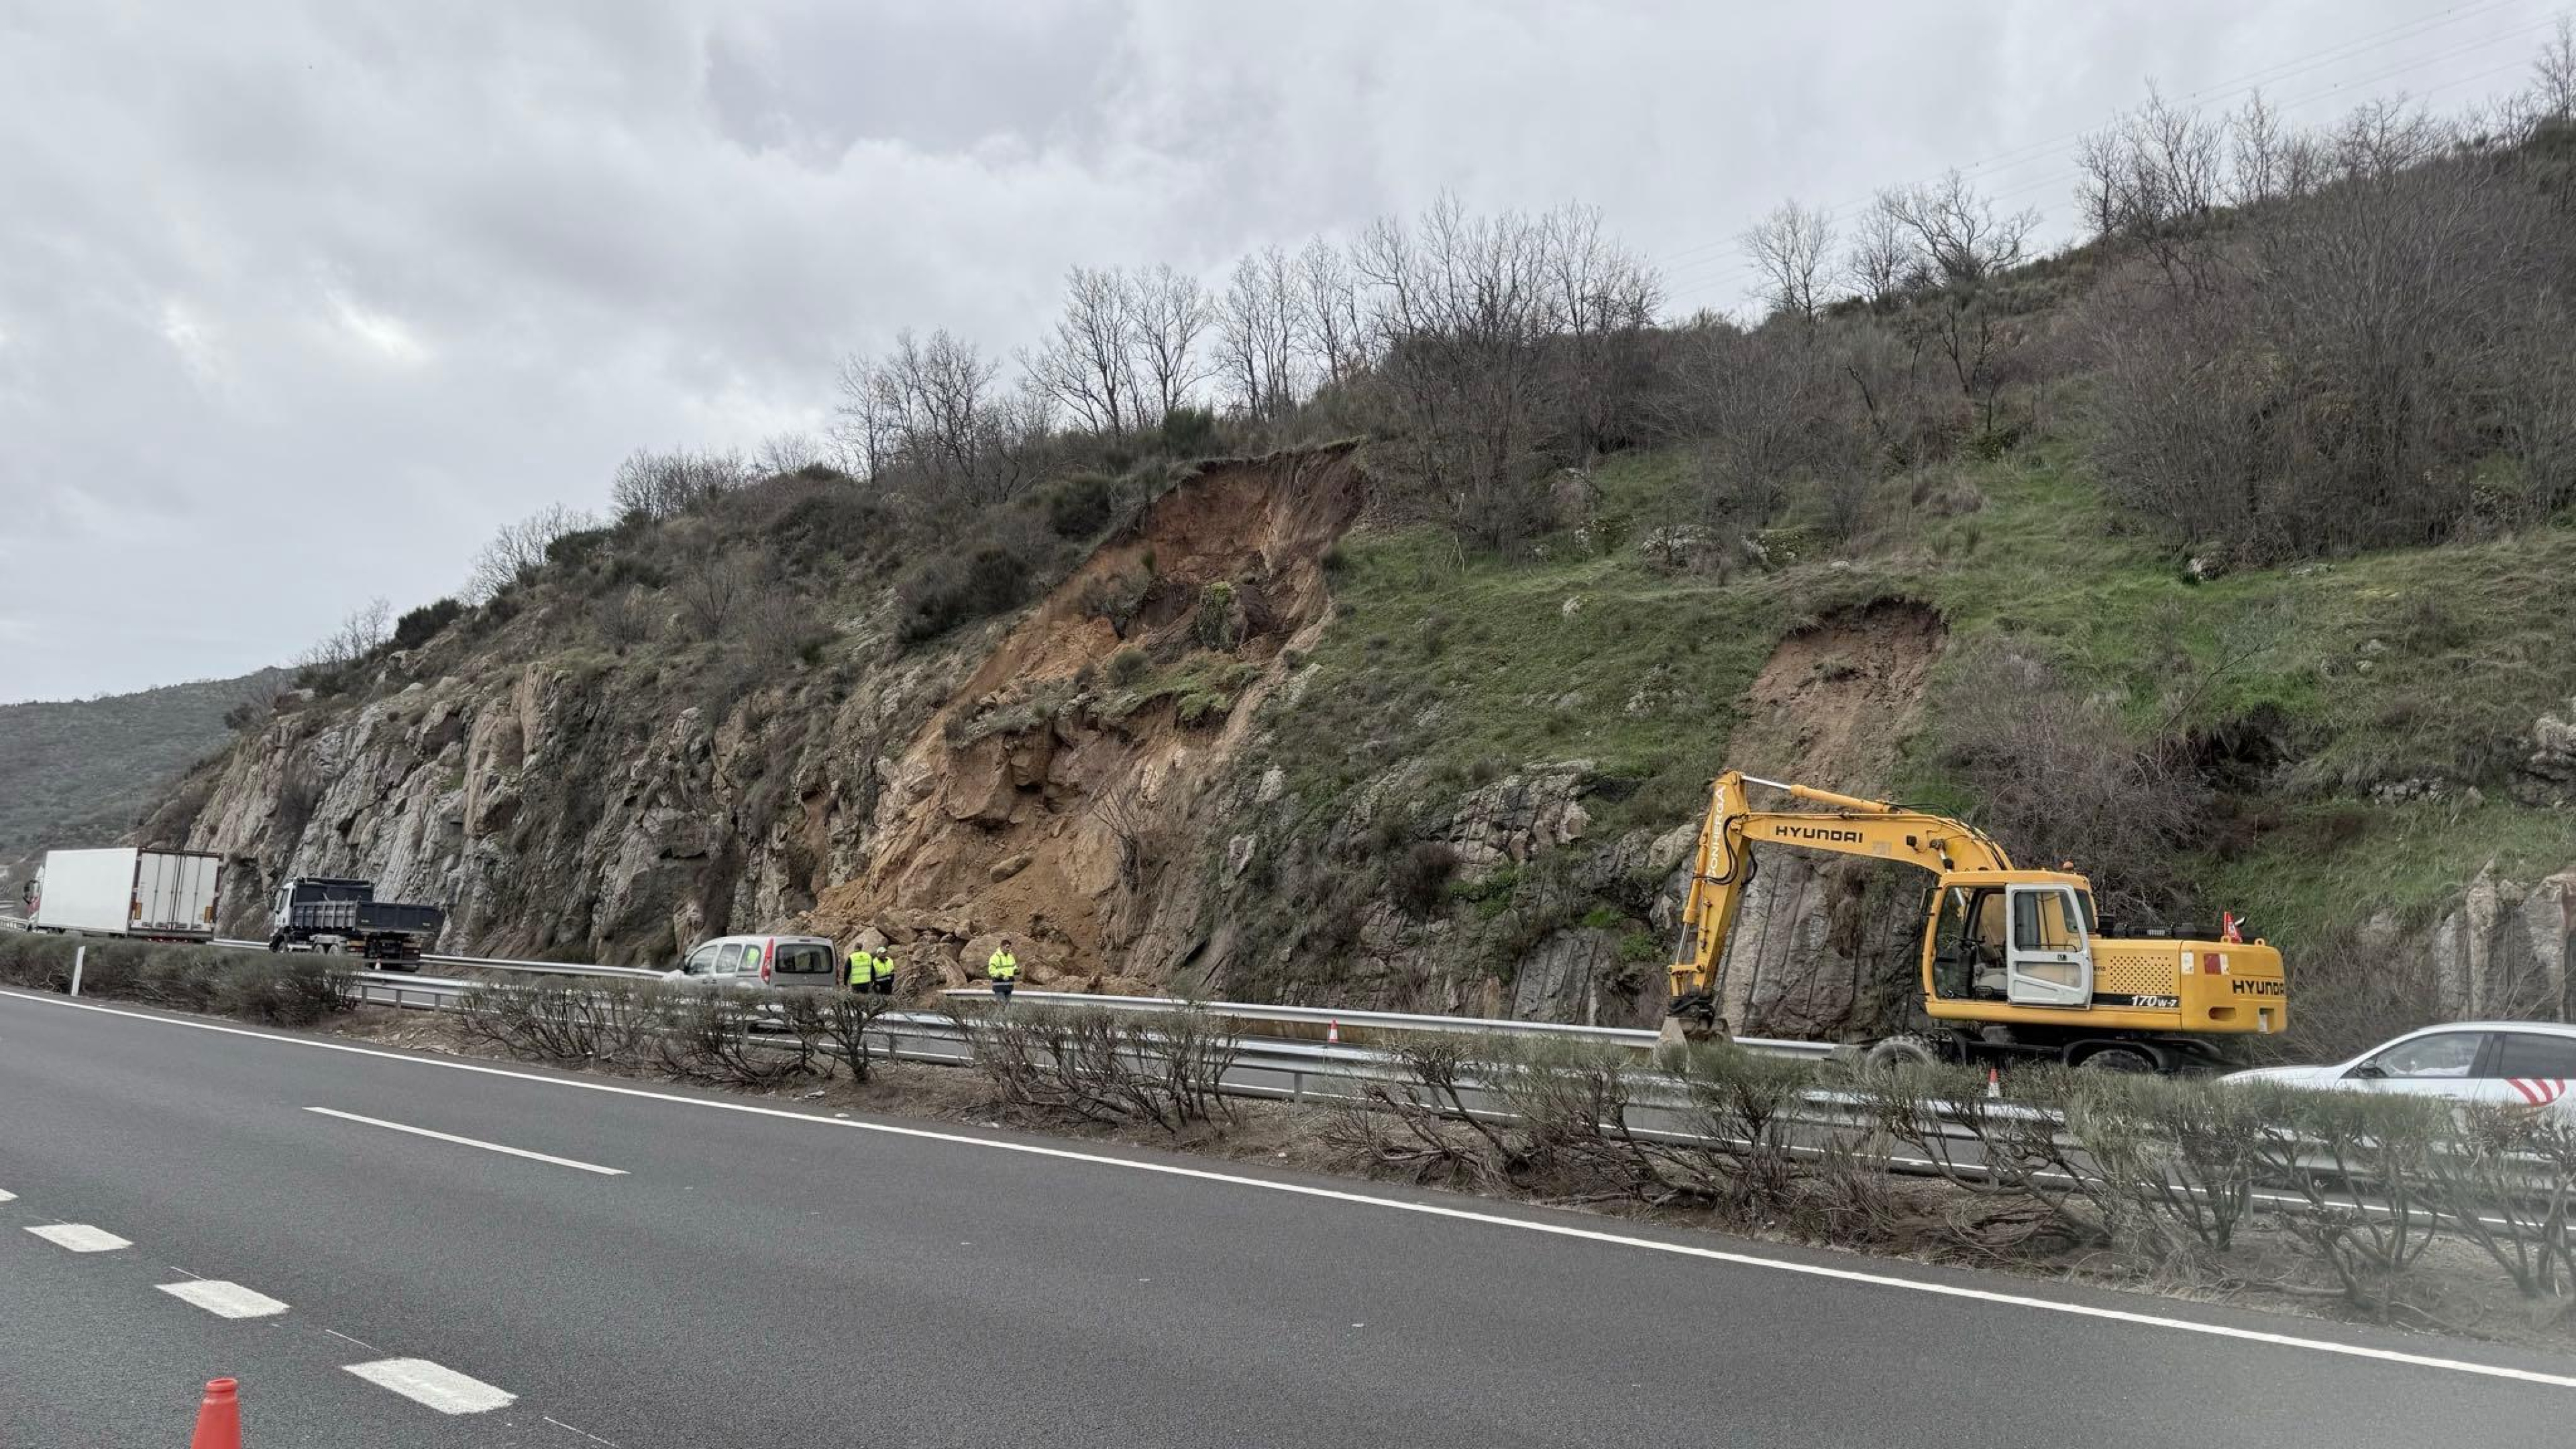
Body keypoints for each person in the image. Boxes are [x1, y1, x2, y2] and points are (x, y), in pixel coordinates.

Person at [985, 938, 1018, 1004]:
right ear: (1002, 947)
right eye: (1007, 947)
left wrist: (1016, 970)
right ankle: (999, 1014)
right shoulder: (995, 957)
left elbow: (1013, 966)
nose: (1009, 949)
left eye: (1010, 947)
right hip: (999, 986)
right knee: (1002, 1005)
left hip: (1009, 986)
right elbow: (991, 970)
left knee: (1007, 1006)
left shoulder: (1010, 957)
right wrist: (1001, 976)